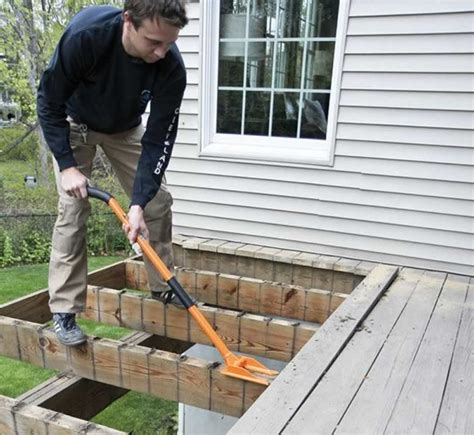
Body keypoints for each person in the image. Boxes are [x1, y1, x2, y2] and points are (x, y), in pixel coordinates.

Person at [37, 0, 188, 346]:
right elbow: (48, 101)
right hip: (75, 123)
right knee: (73, 211)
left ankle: (163, 286)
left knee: (157, 202)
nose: (162, 51)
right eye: (154, 42)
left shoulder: (171, 67)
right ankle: (64, 309)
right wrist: (67, 166)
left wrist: (137, 204)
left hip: (125, 129)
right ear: (128, 22)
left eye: (170, 42)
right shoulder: (87, 36)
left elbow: (158, 140)